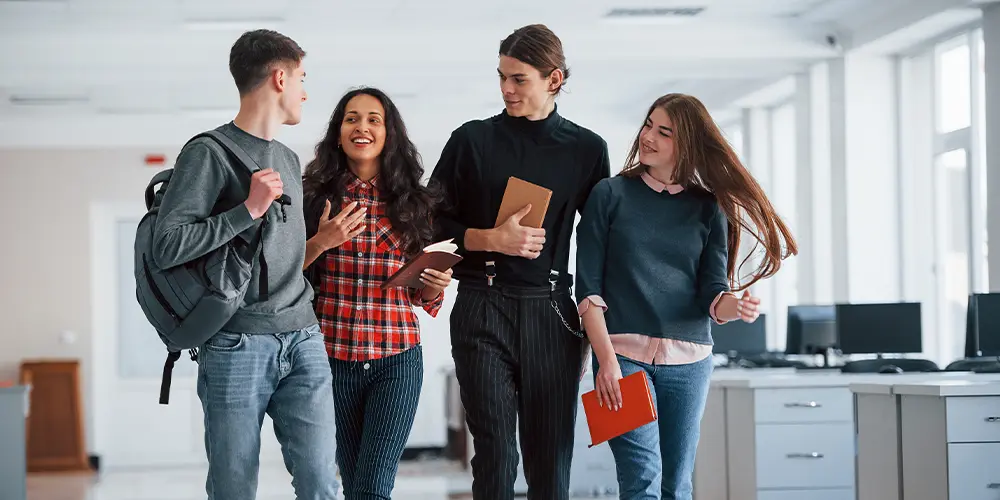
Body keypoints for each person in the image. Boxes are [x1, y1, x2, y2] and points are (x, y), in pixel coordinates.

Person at [575, 93, 797, 500]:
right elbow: (587, 290)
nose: (649, 137)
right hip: (622, 359)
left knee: (677, 485)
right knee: (641, 480)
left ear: (687, 144)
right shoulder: (608, 195)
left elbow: (712, 291)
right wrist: (606, 362)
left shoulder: (709, 207)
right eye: (648, 125)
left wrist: (735, 306)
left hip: (690, 363)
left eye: (665, 132)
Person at [151, 29, 339, 500]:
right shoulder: (208, 153)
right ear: (279, 78)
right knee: (234, 487)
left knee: (321, 483)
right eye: (301, 78)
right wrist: (247, 210)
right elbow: (167, 246)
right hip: (236, 344)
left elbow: (285, 257)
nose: (305, 91)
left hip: (304, 337)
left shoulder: (290, 160)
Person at [429, 23, 611, 500]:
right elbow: (426, 226)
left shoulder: (587, 149)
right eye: (502, 77)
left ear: (554, 79)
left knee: (550, 457)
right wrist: (491, 239)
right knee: (495, 454)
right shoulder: (471, 140)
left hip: (552, 313)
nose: (506, 88)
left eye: (519, 79)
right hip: (479, 307)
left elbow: (598, 243)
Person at [301, 87, 453, 500]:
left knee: (372, 489)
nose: (362, 127)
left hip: (396, 362)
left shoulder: (415, 203)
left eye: (373, 119)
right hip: (331, 362)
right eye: (351, 118)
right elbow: (281, 276)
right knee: (355, 487)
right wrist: (319, 242)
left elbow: (424, 297)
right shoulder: (312, 199)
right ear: (337, 133)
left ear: (389, 133)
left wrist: (432, 287)